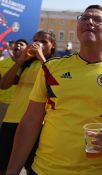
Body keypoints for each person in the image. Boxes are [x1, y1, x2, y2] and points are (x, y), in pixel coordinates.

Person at [6, 5, 102, 175]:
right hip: (44, 170)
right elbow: (30, 122)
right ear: (78, 28)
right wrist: (12, 171)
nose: (89, 22)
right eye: (84, 18)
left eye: (98, 19)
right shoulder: (51, 68)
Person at [0, 31, 56, 175]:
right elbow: (4, 84)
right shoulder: (26, 64)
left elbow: (55, 83)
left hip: (37, 124)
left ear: (53, 45)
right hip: (12, 119)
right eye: (35, 40)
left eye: (43, 41)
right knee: (4, 166)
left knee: (34, 169)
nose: (38, 44)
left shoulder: (55, 64)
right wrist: (19, 61)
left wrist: (40, 56)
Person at [0, 39, 28, 126]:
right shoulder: (2, 63)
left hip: (21, 106)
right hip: (2, 103)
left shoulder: (29, 65)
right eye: (16, 44)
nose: (18, 45)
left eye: (21, 44)